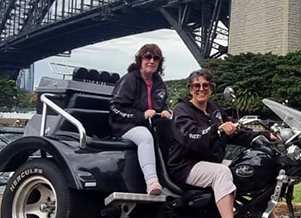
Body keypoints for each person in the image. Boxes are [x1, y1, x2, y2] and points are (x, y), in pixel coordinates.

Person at [168, 69, 278, 218]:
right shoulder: (182, 111)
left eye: (206, 85)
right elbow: (192, 139)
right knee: (222, 173)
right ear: (190, 89)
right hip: (186, 165)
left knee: (250, 170)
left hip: (211, 162)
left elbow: (235, 131)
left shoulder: (214, 108)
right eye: (196, 86)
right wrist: (216, 129)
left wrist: (265, 135)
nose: (201, 89)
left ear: (211, 89)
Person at [109, 43, 171, 195]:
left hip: (151, 124)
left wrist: (165, 111)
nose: (152, 61)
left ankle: (175, 179)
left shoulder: (158, 82)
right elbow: (115, 108)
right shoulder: (129, 79)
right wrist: (141, 115)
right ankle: (152, 182)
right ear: (140, 60)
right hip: (125, 126)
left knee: (174, 130)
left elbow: (161, 104)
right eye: (147, 57)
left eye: (156, 58)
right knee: (145, 137)